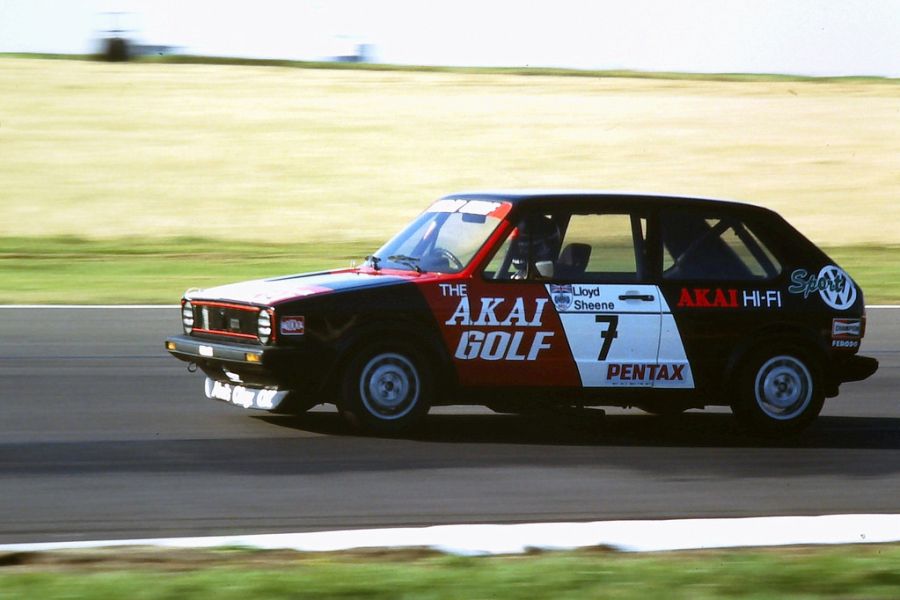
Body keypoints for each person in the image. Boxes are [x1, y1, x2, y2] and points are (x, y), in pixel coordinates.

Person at [507, 214, 561, 279]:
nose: (517, 249)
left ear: (544, 247)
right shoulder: (522, 275)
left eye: (524, 242)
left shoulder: (545, 283)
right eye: (515, 243)